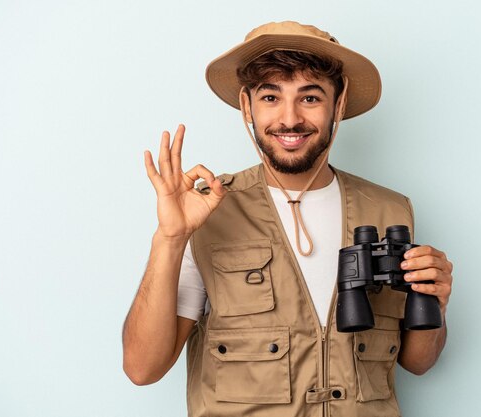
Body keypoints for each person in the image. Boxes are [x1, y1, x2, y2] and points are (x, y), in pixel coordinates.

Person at [123, 21, 453, 417]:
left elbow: (417, 362)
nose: (290, 118)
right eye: (270, 97)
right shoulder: (208, 211)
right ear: (247, 105)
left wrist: (436, 302)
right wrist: (170, 238)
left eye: (310, 97)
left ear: (339, 103)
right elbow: (143, 368)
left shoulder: (390, 211)